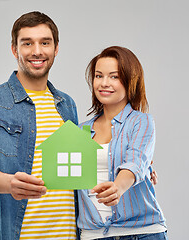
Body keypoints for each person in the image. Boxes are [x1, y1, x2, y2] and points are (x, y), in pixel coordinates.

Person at [0, 11, 78, 239]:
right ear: (15, 49)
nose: (37, 51)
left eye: (44, 42)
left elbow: (79, 168)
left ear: (56, 48)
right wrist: (10, 184)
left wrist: (129, 163)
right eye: (27, 43)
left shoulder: (67, 105)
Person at [77, 46, 167, 240]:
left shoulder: (141, 122)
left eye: (114, 77)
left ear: (130, 81)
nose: (104, 83)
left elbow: (135, 162)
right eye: (99, 76)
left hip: (141, 233)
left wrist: (118, 187)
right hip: (94, 235)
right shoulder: (80, 130)